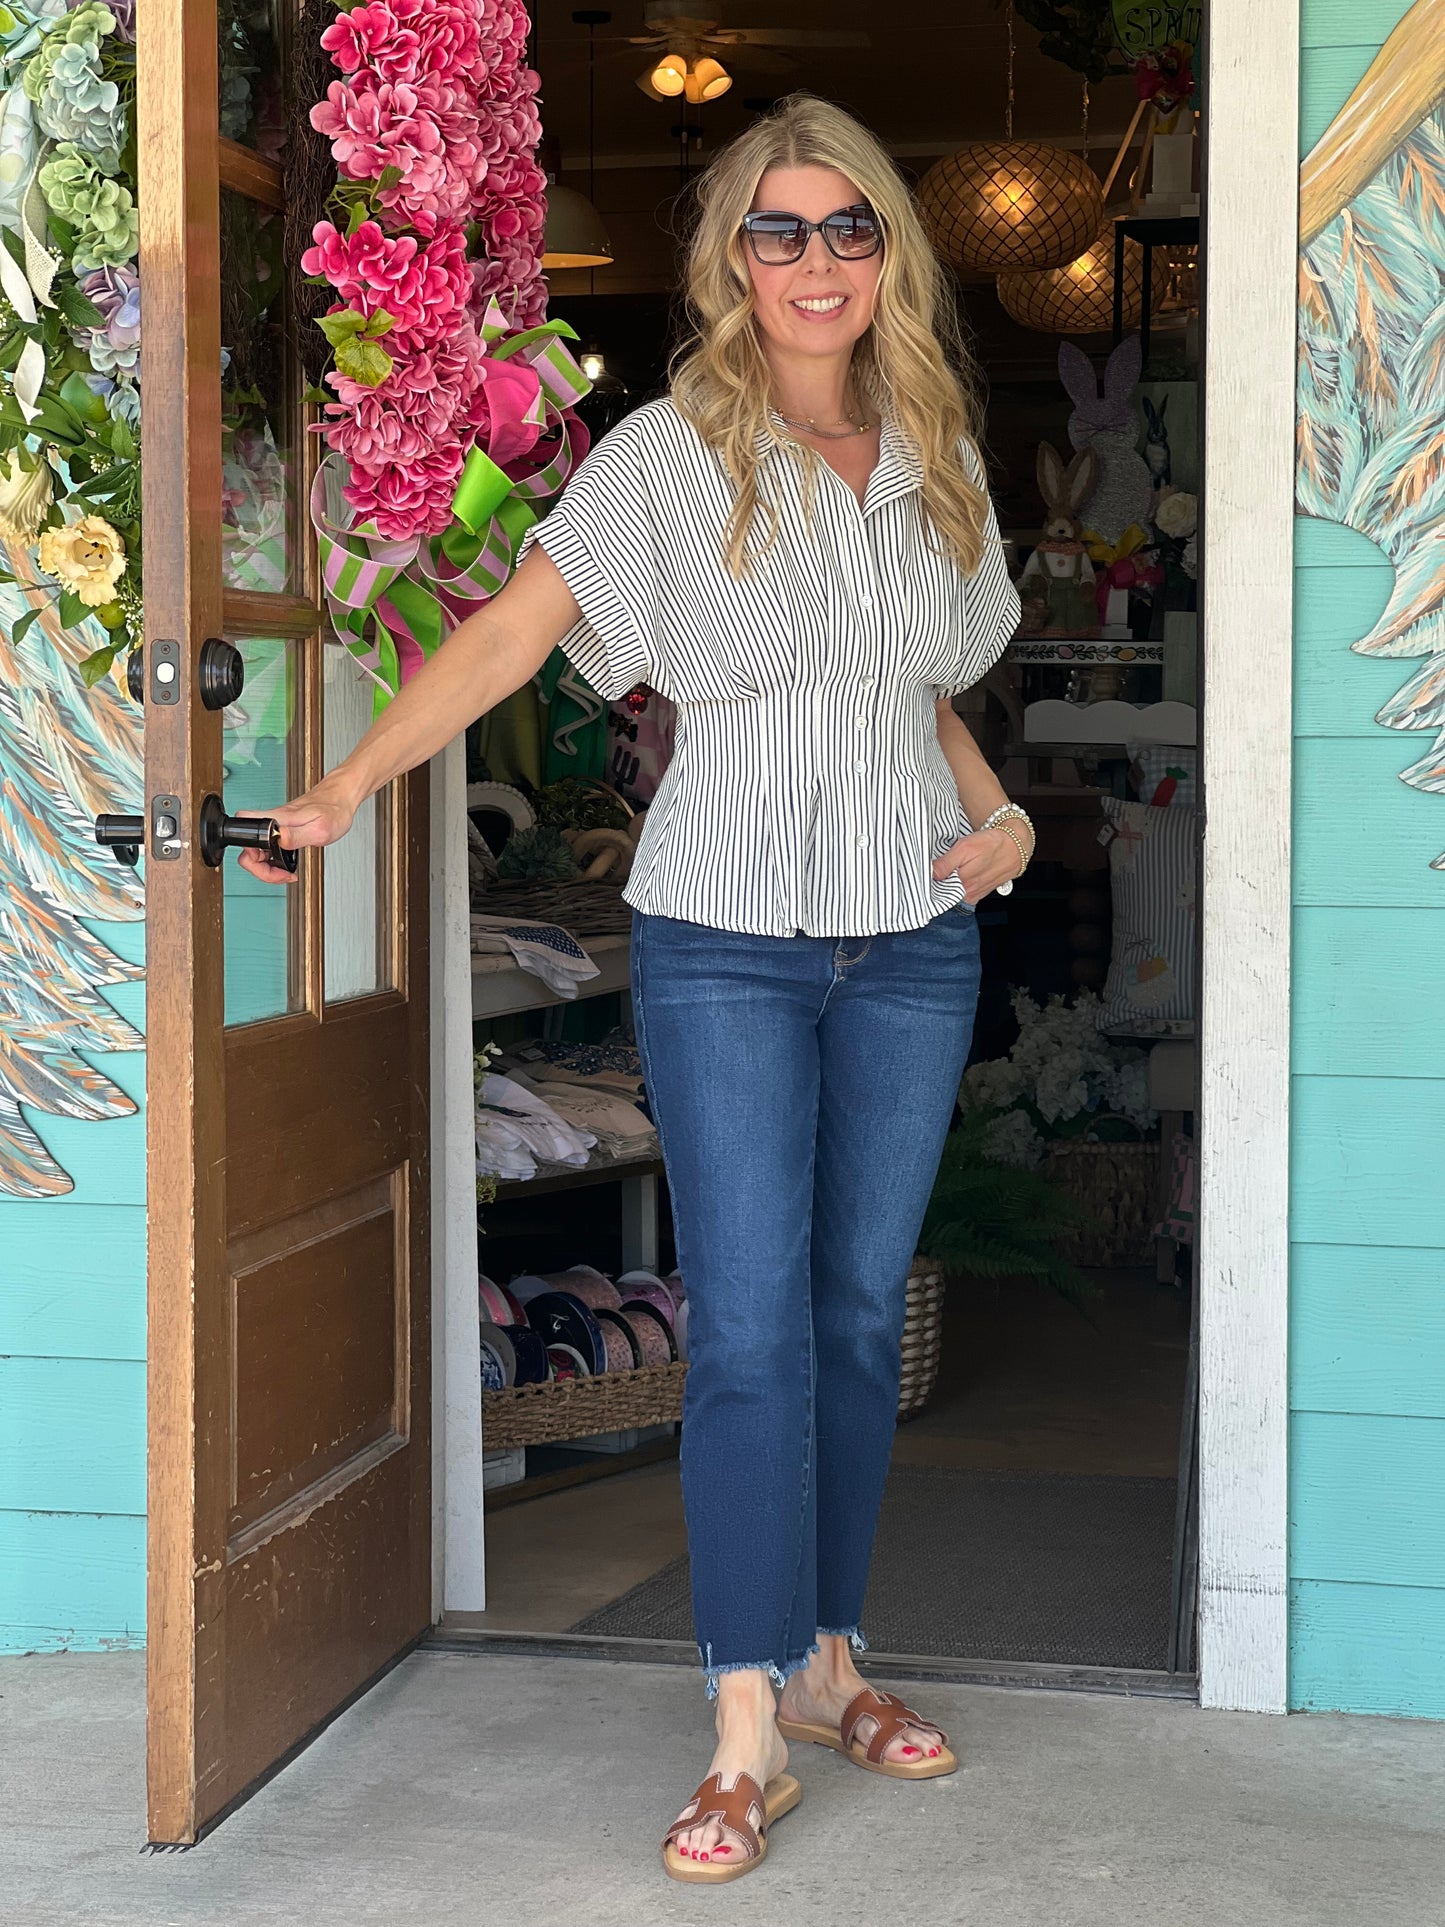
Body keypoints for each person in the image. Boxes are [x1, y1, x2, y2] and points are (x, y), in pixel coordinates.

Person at [244, 92, 1030, 1885]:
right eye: (778, 230)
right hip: (731, 943)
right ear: (729, 259)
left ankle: (835, 1662)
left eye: (848, 229)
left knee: (849, 1321)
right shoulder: (665, 456)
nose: (814, 261)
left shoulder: (937, 452)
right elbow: (519, 629)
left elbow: (910, 689)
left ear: (886, 253)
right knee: (749, 1329)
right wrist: (351, 784)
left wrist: (995, 820)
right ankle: (745, 1719)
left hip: (913, 942)